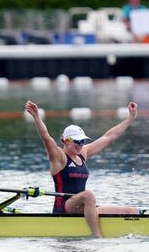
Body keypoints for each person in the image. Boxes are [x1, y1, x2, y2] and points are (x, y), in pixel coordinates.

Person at [25, 101, 140, 237]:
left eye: (82, 141)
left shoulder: (83, 153)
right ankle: (97, 237)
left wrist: (130, 118)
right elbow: (46, 138)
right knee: (89, 195)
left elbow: (109, 137)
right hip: (64, 207)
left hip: (83, 206)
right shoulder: (59, 157)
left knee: (131, 211)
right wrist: (37, 117)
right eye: (77, 141)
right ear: (66, 140)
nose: (80, 145)